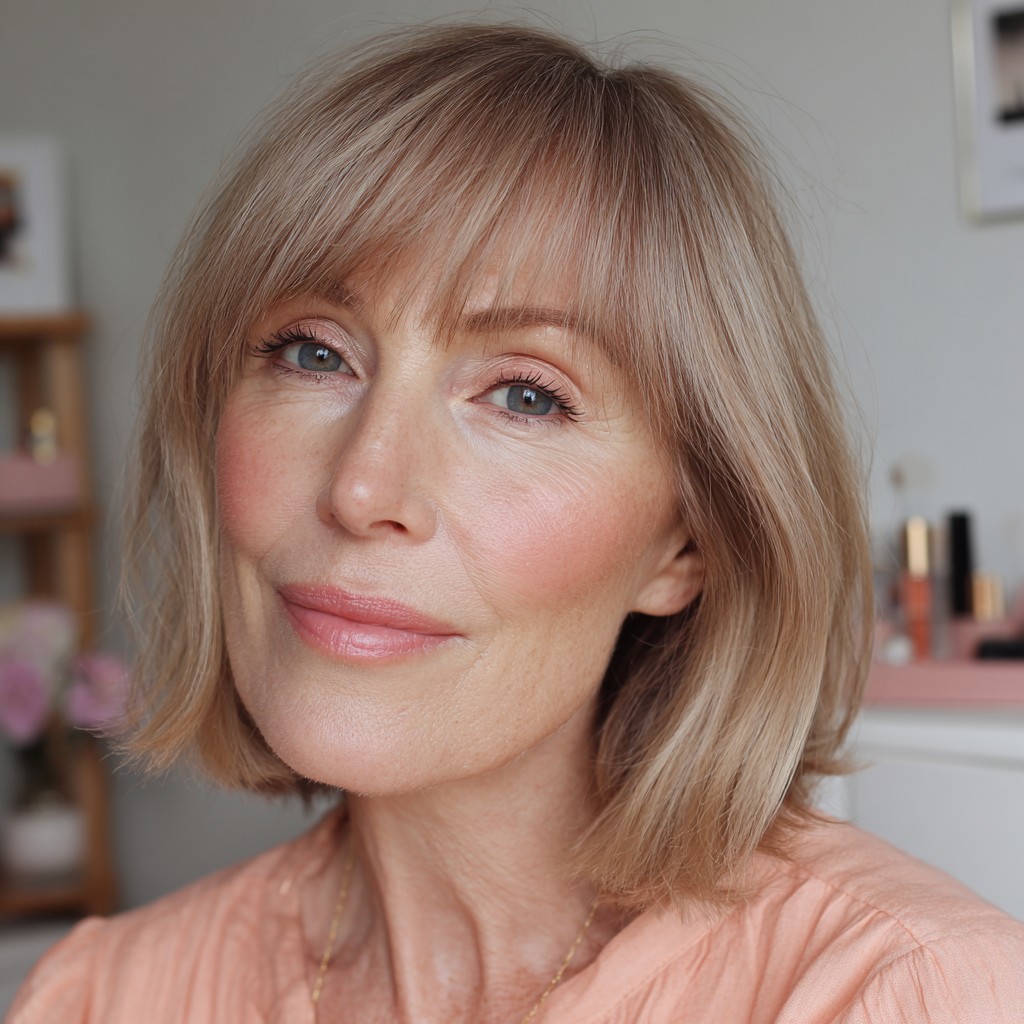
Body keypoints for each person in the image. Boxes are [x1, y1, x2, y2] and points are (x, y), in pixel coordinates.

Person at [10, 23, 1024, 1024]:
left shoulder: (914, 996)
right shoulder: (102, 998)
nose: (361, 489)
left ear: (686, 545)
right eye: (315, 353)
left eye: (524, 397)